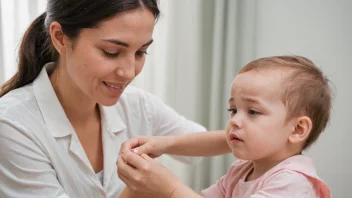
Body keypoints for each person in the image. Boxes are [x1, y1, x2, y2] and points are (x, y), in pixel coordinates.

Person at [0, 1, 229, 197]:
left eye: (141, 52)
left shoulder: (137, 104)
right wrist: (148, 190)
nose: (129, 73)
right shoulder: (11, 124)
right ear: (60, 38)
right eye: (111, 52)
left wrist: (260, 131)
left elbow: (204, 142)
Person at [117, 55, 332, 198]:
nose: (235, 120)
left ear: (297, 130)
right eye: (233, 110)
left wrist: (170, 189)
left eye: (253, 112)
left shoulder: (293, 183)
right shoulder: (242, 170)